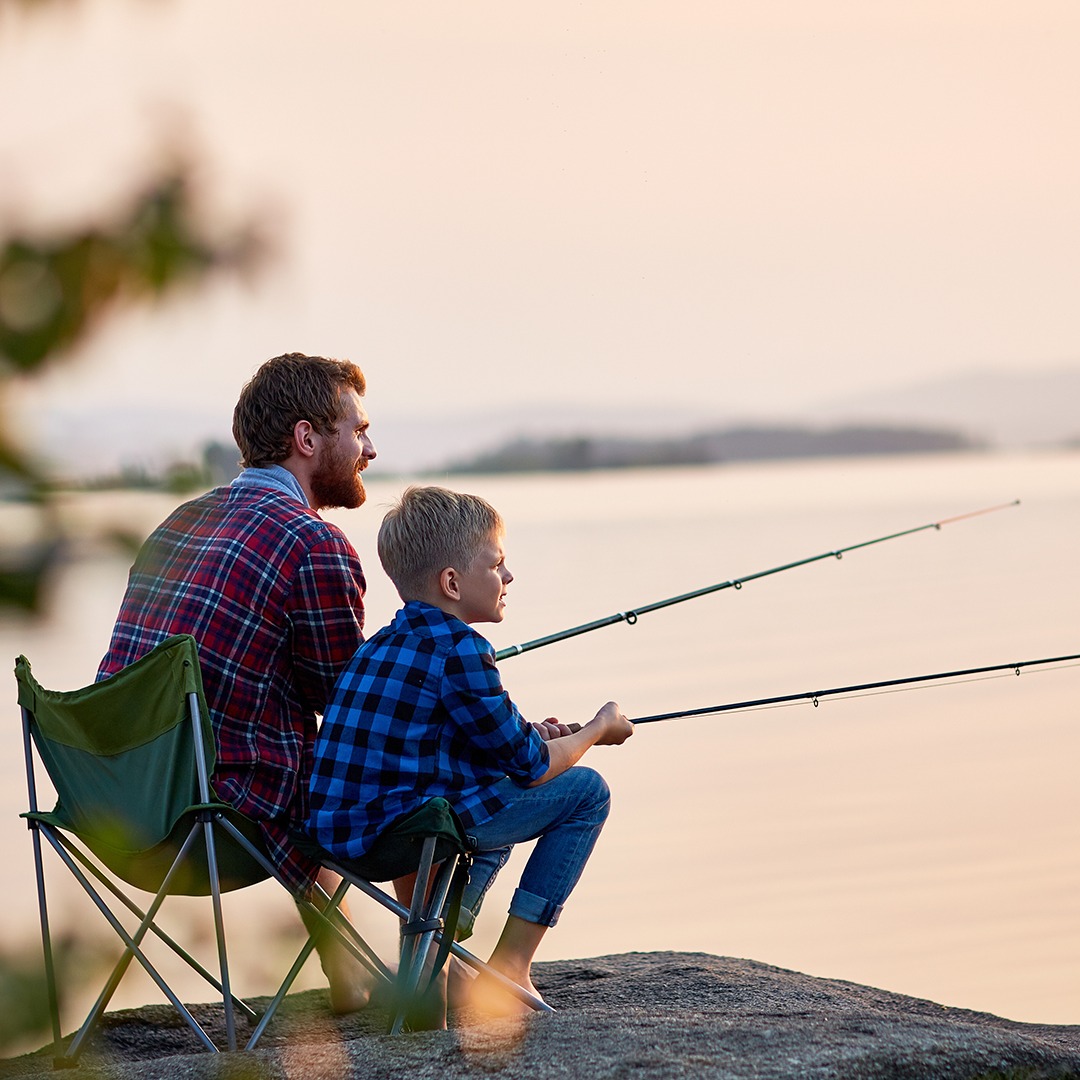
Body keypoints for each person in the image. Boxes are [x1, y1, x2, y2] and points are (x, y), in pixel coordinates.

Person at [97, 351, 377, 1012]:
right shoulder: (314, 544)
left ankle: (350, 972)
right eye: (358, 430)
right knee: (375, 760)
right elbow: (347, 712)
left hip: (114, 807)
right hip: (211, 824)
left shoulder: (178, 522)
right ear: (308, 439)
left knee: (282, 751)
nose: (371, 447)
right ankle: (425, 979)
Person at [306, 485, 634, 1021]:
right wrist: (597, 728)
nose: (508, 577)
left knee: (485, 788)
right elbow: (529, 766)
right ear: (453, 583)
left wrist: (538, 733)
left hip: (341, 842)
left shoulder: (378, 645)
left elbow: (452, 738)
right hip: (409, 836)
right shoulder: (461, 649)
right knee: (586, 793)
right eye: (498, 564)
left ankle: (437, 960)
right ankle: (509, 965)